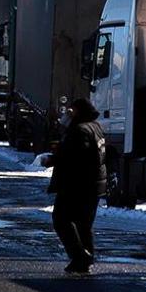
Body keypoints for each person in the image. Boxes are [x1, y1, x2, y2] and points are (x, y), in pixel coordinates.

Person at [46, 97, 107, 274]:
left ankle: (80, 256)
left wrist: (53, 159)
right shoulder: (95, 127)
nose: (66, 114)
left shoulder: (79, 130)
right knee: (84, 224)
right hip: (94, 185)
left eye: (70, 111)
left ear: (76, 112)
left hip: (76, 185)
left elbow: (74, 157)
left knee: (61, 220)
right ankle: (84, 260)